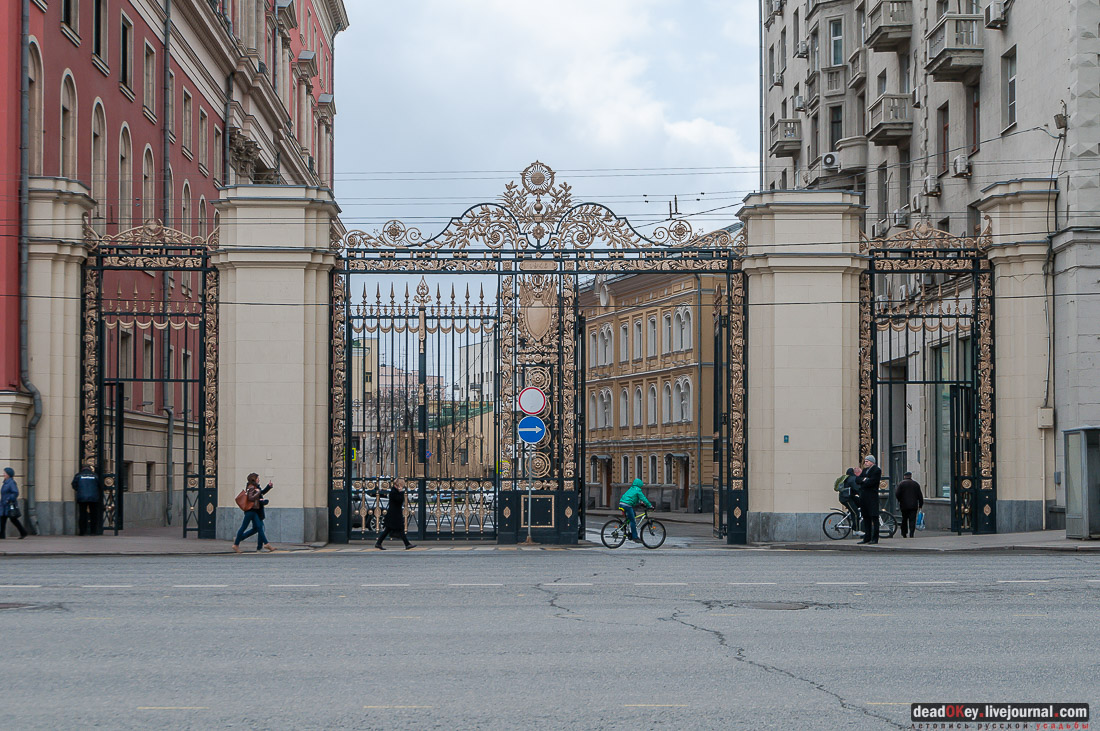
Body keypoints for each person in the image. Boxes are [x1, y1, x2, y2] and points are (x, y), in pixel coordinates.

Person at [233, 473, 275, 553]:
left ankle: (265, 544)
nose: (259, 479)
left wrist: (268, 487)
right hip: (250, 510)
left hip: (254, 510)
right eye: (258, 478)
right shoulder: (251, 487)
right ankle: (237, 543)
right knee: (246, 527)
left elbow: (260, 494)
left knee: (258, 527)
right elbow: (251, 498)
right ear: (254, 479)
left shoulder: (255, 487)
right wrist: (259, 496)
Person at [375, 478, 415, 550]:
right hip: (394, 514)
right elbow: (399, 500)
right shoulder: (394, 491)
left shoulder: (394, 491)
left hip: (394, 513)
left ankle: (378, 543)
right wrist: (401, 492)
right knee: (398, 529)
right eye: (401, 484)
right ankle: (407, 544)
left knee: (389, 529)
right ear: (399, 485)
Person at [618, 477, 654, 543]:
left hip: (622, 503)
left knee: (633, 514)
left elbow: (633, 498)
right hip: (627, 505)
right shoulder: (638, 490)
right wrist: (650, 505)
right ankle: (635, 537)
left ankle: (623, 525)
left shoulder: (631, 489)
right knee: (633, 521)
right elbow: (643, 498)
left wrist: (640, 503)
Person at [856, 455, 882, 544]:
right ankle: (867, 537)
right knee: (866, 517)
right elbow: (857, 480)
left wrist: (864, 481)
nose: (865, 463)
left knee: (874, 517)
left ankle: (875, 538)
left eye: (867, 461)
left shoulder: (876, 470)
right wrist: (864, 479)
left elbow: (872, 482)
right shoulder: (864, 470)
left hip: (872, 497)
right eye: (865, 461)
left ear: (872, 462)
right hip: (864, 497)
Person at [71, 465, 101, 536]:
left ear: (82, 469)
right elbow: (100, 485)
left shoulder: (78, 475)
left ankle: (82, 531)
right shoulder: (95, 475)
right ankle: (93, 531)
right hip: (93, 497)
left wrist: (79, 490)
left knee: (82, 515)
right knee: (93, 515)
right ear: (90, 469)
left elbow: (74, 484)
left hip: (82, 497)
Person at [1, 467, 29, 539]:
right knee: (2, 520)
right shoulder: (5, 482)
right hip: (4, 505)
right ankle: (2, 535)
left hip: (9, 504)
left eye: (5, 473)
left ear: (8, 474)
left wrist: (8, 499)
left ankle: (23, 532)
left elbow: (15, 492)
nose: (3, 474)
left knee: (12, 519)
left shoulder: (11, 482)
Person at [834, 468, 863, 537]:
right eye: (860, 473)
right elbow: (857, 489)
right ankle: (856, 531)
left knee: (860, 504)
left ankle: (852, 516)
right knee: (856, 513)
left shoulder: (848, 478)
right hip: (846, 499)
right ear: (856, 473)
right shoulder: (852, 479)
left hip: (848, 497)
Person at [895, 471, 925, 538]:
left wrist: (900, 500)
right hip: (913, 505)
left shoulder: (901, 484)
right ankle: (912, 533)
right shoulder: (915, 484)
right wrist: (920, 505)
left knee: (904, 519)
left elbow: (897, 494)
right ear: (911, 476)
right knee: (912, 519)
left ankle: (904, 533)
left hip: (904, 505)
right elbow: (920, 495)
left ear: (904, 476)